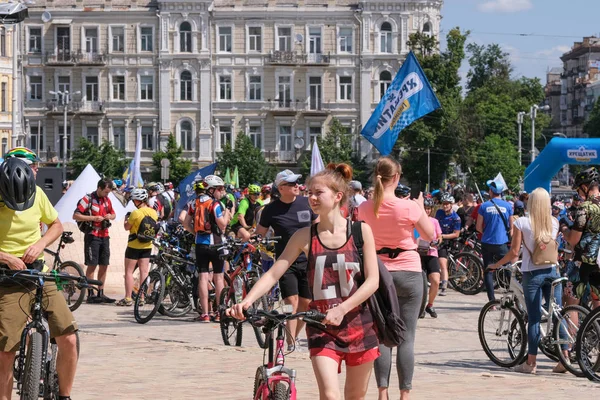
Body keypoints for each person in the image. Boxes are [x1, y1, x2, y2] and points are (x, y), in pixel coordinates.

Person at [228, 163, 380, 400]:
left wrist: (342, 308)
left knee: (355, 396)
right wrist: (246, 301)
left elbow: (372, 282)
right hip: (320, 326)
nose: (312, 197)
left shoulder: (361, 232)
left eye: (319, 192)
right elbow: (273, 273)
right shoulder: (305, 235)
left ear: (338, 196)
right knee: (330, 395)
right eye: (310, 192)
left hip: (360, 324)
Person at [0, 158, 79, 400]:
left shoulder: (38, 195)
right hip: (9, 279)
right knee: (5, 350)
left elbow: (55, 224)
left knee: (69, 338)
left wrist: (40, 244)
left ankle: (64, 395)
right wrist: (5, 257)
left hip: (39, 273)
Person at [357, 156, 433, 400]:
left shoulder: (366, 207)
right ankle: (405, 394)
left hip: (379, 272)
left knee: (382, 334)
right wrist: (419, 208)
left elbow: (359, 238)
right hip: (409, 270)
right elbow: (429, 235)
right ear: (397, 177)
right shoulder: (409, 206)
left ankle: (382, 391)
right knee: (407, 337)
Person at [489, 188, 564, 374]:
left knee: (534, 319)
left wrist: (497, 264)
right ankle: (566, 359)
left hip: (533, 273)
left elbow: (514, 252)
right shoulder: (554, 222)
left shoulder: (522, 222)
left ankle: (531, 363)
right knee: (558, 314)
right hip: (553, 271)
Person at [255, 169, 318, 350]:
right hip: (285, 261)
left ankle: (293, 335)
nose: (296, 186)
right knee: (292, 301)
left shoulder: (306, 203)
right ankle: (291, 342)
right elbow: (260, 232)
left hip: (308, 259)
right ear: (281, 188)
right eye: (291, 184)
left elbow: (317, 225)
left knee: (306, 303)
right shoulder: (271, 209)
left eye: (297, 183)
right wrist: (249, 236)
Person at [183, 175, 233, 323]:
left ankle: (205, 313)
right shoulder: (215, 204)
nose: (221, 191)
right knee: (218, 278)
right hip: (216, 244)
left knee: (203, 278)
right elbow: (222, 224)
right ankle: (219, 312)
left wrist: (196, 233)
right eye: (219, 189)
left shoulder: (194, 202)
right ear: (211, 189)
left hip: (200, 244)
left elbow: (186, 223)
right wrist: (227, 212)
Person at [561, 167, 600, 310]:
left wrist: (564, 229)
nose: (578, 193)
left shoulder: (585, 207)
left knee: (570, 304)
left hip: (583, 262)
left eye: (578, 190)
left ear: (585, 187)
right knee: (597, 301)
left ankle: (572, 333)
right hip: (599, 261)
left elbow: (573, 239)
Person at [73, 178, 116, 304]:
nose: (107, 195)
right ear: (99, 188)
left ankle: (101, 292)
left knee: (104, 264)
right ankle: (90, 293)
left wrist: (110, 216)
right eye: (106, 192)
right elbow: (76, 215)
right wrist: (93, 218)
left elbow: (113, 214)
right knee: (92, 264)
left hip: (105, 235)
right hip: (92, 235)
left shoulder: (107, 200)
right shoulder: (88, 199)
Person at [117, 188, 158, 306]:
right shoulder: (153, 212)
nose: (133, 202)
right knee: (144, 272)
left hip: (134, 245)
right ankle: (142, 297)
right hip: (147, 245)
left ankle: (128, 298)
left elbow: (127, 227)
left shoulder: (135, 213)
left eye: (134, 200)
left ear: (138, 200)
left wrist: (126, 220)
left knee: (129, 272)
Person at [476, 180, 512, 302]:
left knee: (488, 270)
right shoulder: (508, 206)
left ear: (491, 191)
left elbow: (478, 227)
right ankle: (511, 296)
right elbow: (511, 227)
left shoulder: (484, 206)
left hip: (487, 242)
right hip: (502, 242)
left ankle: (492, 301)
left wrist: (486, 233)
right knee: (508, 268)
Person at [419, 198, 442, 318]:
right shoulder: (416, 220)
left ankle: (430, 304)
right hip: (419, 253)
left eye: (428, 209)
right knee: (420, 282)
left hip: (431, 252)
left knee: (436, 280)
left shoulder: (434, 221)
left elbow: (439, 236)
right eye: (425, 208)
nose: (427, 211)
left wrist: (438, 241)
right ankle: (419, 306)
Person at [435, 193, 461, 297]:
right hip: (437, 239)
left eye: (447, 204)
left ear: (451, 204)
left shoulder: (456, 218)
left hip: (447, 242)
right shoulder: (439, 213)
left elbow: (456, 234)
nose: (445, 206)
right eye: (443, 204)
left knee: (442, 263)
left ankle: (444, 286)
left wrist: (443, 236)